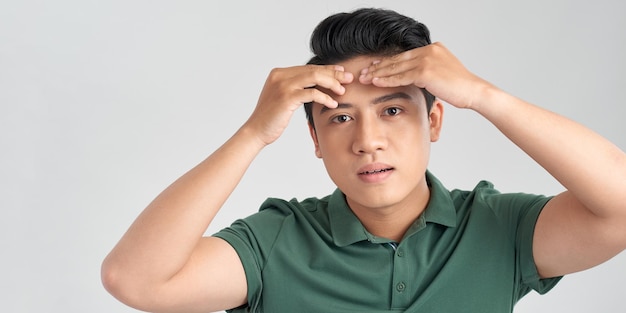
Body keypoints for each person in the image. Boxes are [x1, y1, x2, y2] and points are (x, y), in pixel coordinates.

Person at [101, 8, 626, 313]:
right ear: (314, 138)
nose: (368, 141)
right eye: (340, 118)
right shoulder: (275, 241)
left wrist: (484, 95)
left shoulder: (497, 228)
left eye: (393, 109)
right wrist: (254, 132)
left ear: (435, 121)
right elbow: (136, 280)